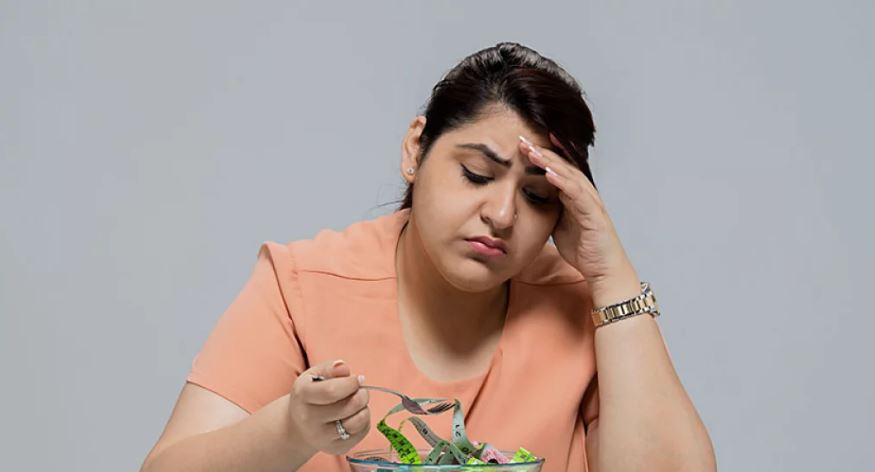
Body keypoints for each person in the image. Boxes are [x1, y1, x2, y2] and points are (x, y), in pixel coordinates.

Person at [140, 42, 716, 472]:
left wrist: (613, 280)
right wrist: (290, 431)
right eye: (477, 174)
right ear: (416, 149)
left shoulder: (581, 306)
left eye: (538, 197)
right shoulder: (302, 284)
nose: (502, 215)